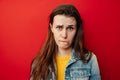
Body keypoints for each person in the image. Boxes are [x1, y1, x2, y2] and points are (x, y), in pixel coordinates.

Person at [30, 4, 101, 80]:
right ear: (51, 28)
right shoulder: (38, 62)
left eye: (70, 28)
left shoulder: (90, 60)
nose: (64, 35)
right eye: (59, 27)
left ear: (77, 30)